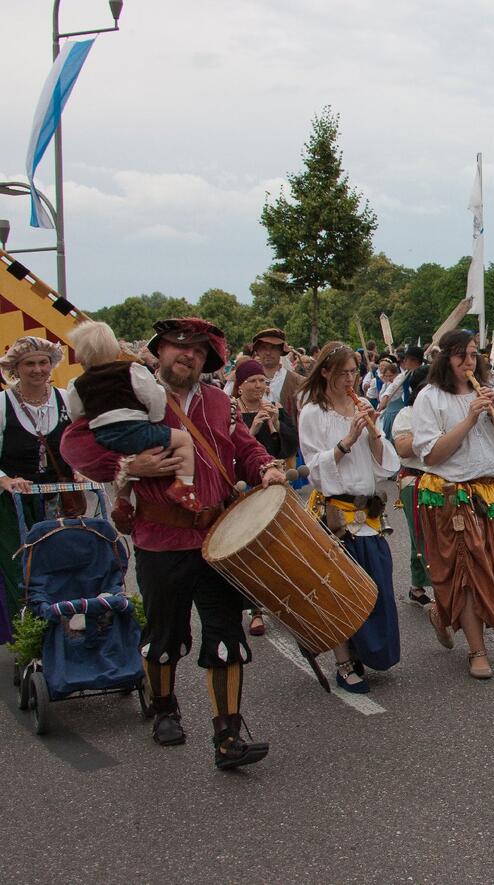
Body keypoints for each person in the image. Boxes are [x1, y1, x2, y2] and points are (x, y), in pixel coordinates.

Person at [61, 318, 284, 769]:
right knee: (164, 635)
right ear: (159, 353)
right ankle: (164, 707)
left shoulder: (221, 402)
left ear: (208, 359)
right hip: (160, 538)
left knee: (225, 635)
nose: (189, 355)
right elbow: (74, 447)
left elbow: (243, 447)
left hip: (219, 537)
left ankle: (228, 737)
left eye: (199, 350)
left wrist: (265, 468)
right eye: (179, 347)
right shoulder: (129, 394)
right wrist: (128, 463)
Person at [411, 330, 494, 679]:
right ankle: (477, 651)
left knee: (487, 571)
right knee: (469, 573)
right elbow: (432, 453)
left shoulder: (488, 393)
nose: (469, 361)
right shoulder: (429, 397)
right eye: (460, 355)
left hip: (489, 496)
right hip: (450, 496)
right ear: (445, 359)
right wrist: (469, 418)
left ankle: (442, 615)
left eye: (473, 354)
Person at [299, 343, 402, 693]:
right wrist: (347, 440)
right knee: (339, 591)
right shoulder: (313, 412)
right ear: (325, 372)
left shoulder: (361, 405)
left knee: (376, 590)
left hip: (367, 513)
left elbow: (385, 463)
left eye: (354, 372)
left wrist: (372, 431)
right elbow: (314, 470)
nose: (350, 379)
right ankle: (344, 662)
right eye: (343, 372)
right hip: (335, 514)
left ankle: (365, 652)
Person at [65, 320, 199, 512]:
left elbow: (76, 414)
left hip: (104, 438)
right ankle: (183, 485)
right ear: (115, 350)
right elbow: (154, 398)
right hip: (136, 429)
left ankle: (123, 499)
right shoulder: (132, 370)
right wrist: (154, 417)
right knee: (184, 439)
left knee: (125, 461)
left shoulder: (76, 384)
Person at [0, 337, 75, 644]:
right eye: (29, 363)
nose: (37, 369)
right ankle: (29, 635)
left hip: (61, 499)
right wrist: (6, 480)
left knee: (67, 560)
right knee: (21, 568)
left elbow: (79, 442)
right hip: (15, 502)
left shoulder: (65, 398)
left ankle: (68, 626)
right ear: (16, 368)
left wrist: (82, 469)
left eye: (43, 362)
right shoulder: (3, 404)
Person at [233, 358, 299, 636]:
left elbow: (288, 446)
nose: (259, 386)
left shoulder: (275, 408)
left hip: (275, 479)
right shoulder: (231, 411)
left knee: (280, 544)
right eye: (253, 381)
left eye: (262, 381)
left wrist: (275, 423)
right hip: (244, 485)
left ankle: (286, 601)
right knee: (251, 548)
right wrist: (253, 430)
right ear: (240, 385)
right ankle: (254, 609)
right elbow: (232, 448)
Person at [391, 380, 433, 608]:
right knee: (422, 536)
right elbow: (403, 448)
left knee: (436, 536)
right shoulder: (407, 414)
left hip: (444, 481)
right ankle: (444, 591)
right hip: (415, 480)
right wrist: (433, 435)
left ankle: (417, 587)